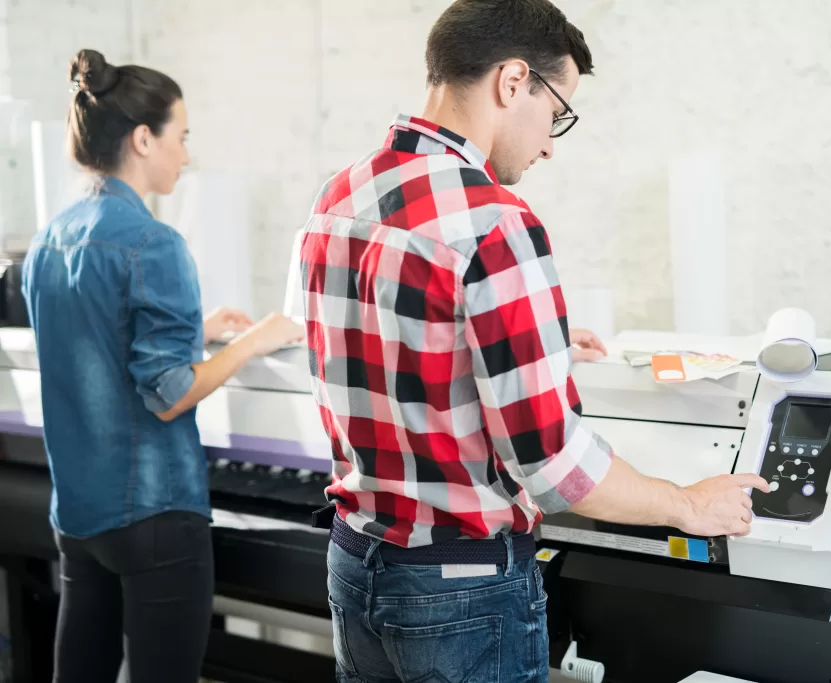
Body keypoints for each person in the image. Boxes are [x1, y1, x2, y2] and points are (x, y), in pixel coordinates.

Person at [299, 2, 770, 681]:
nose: (550, 143)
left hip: (354, 564)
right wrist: (688, 503)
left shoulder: (337, 195)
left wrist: (526, 344)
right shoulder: (493, 220)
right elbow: (553, 466)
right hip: (461, 592)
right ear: (513, 81)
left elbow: (374, 341)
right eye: (557, 112)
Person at [21, 49, 303, 683]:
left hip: (78, 514)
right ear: (143, 138)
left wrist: (194, 331)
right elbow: (170, 392)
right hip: (154, 516)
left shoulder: (48, 241)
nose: (187, 155)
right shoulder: (154, 242)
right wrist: (253, 340)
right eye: (183, 136)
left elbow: (89, 339)